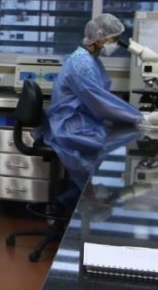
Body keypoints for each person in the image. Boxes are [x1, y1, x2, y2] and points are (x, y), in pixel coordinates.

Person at [40, 14, 144, 208]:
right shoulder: (82, 63)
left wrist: (133, 116)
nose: (115, 44)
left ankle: (81, 196)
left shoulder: (91, 60)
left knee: (114, 139)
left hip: (81, 119)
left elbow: (100, 98)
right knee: (108, 145)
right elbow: (98, 100)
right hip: (69, 125)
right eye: (113, 39)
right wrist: (140, 118)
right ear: (99, 38)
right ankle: (83, 200)